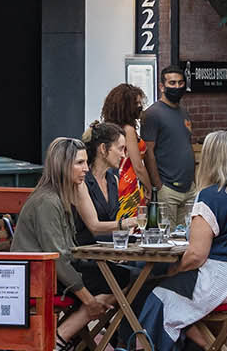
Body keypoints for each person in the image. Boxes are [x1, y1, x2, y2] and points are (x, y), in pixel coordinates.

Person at [150, 130, 227, 351]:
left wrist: (172, 270)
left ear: (209, 160)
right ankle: (226, 347)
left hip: (219, 283)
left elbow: (196, 255)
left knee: (156, 294)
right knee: (173, 288)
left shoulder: (210, 197)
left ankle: (213, 349)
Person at [15, 137, 115, 351]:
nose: (86, 169)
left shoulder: (58, 196)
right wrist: (89, 301)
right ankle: (60, 339)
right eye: (80, 163)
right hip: (37, 280)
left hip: (48, 275)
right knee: (118, 281)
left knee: (120, 277)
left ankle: (72, 343)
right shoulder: (48, 202)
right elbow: (60, 259)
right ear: (63, 166)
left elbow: (65, 254)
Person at [139, 64, 197, 220]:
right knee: (168, 238)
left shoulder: (183, 112)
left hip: (189, 188)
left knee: (187, 237)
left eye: (180, 83)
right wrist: (159, 186)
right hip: (167, 189)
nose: (177, 87)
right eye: (172, 83)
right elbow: (148, 151)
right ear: (161, 86)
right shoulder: (152, 114)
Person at [73, 122, 140, 246]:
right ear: (103, 148)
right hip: (88, 254)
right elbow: (94, 227)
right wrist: (126, 223)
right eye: (120, 148)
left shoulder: (113, 179)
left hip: (110, 251)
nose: (123, 155)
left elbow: (112, 223)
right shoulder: (81, 181)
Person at [99, 83, 151, 222]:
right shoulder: (128, 130)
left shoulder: (110, 128)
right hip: (129, 184)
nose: (140, 106)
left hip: (115, 181)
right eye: (137, 103)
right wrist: (149, 187)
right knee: (133, 225)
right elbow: (138, 166)